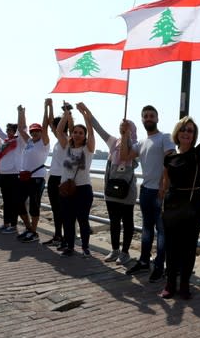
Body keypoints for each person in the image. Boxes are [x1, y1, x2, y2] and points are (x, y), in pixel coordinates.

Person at [158, 94, 200, 299]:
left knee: (189, 247)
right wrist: (163, 201)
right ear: (178, 132)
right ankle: (169, 284)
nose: (186, 132)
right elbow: (165, 183)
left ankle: (184, 284)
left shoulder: (198, 153)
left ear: (194, 135)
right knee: (171, 246)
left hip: (193, 204)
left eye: (190, 130)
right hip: (172, 204)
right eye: (183, 129)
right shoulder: (170, 158)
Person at [125, 105, 175, 282]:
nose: (148, 118)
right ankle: (144, 261)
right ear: (142, 119)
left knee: (162, 231)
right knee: (147, 229)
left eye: (151, 116)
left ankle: (159, 267)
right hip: (146, 191)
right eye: (145, 116)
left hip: (160, 192)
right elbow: (125, 156)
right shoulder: (141, 143)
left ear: (157, 118)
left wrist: (164, 185)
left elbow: (171, 160)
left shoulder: (165, 137)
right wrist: (125, 134)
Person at [90, 112, 138, 265]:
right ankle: (115, 249)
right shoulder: (113, 142)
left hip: (127, 190)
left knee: (128, 221)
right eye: (121, 126)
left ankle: (125, 253)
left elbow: (126, 157)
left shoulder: (137, 145)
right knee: (114, 221)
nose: (122, 129)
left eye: (126, 127)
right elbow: (98, 128)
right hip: (111, 189)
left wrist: (126, 136)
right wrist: (86, 112)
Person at [55, 102, 95, 257]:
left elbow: (91, 133)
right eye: (75, 132)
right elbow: (59, 130)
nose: (77, 134)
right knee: (68, 220)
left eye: (80, 133)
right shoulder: (67, 147)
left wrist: (85, 114)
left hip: (83, 189)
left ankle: (85, 247)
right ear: (71, 134)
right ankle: (70, 246)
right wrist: (66, 114)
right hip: (66, 189)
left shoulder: (88, 148)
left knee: (83, 220)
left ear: (84, 136)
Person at [15, 101, 51, 242]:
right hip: (25, 177)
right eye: (32, 131)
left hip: (37, 177)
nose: (34, 133)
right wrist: (21, 113)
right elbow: (20, 128)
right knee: (19, 203)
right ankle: (29, 227)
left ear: (41, 132)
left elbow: (46, 126)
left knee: (34, 205)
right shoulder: (29, 142)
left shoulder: (44, 142)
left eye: (37, 131)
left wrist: (45, 108)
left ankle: (34, 232)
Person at [0, 114, 23, 234]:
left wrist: (20, 113)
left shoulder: (19, 141)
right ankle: (6, 223)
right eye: (8, 130)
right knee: (6, 200)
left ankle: (13, 225)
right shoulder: (4, 141)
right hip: (3, 174)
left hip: (14, 174)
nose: (9, 132)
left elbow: (21, 128)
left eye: (11, 130)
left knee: (13, 200)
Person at [43, 104, 66, 247]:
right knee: (55, 210)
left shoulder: (66, 140)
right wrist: (49, 106)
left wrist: (66, 113)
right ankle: (58, 236)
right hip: (53, 178)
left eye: (56, 128)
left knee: (62, 210)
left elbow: (54, 125)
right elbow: (51, 122)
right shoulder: (58, 142)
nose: (52, 129)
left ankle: (64, 238)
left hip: (62, 179)